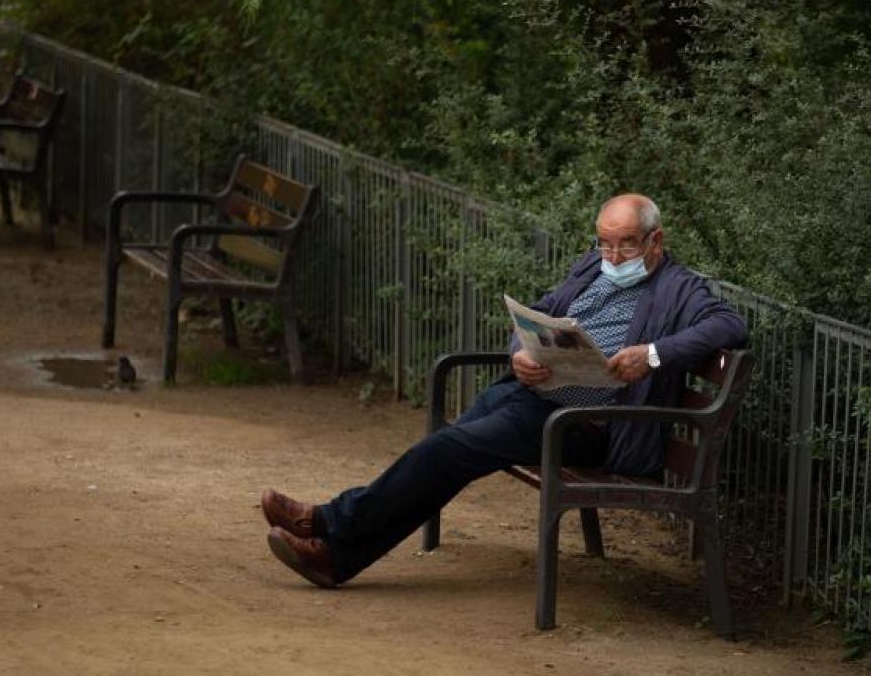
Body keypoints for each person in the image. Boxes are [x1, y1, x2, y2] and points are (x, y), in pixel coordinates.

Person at [261, 193, 748, 588]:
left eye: (626, 246)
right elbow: (541, 309)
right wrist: (521, 351)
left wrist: (653, 354)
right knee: (445, 453)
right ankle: (333, 539)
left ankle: (329, 531)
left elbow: (731, 325)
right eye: (605, 244)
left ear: (655, 240)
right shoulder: (591, 268)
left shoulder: (678, 288)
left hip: (587, 426)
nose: (613, 258)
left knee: (446, 450)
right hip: (538, 395)